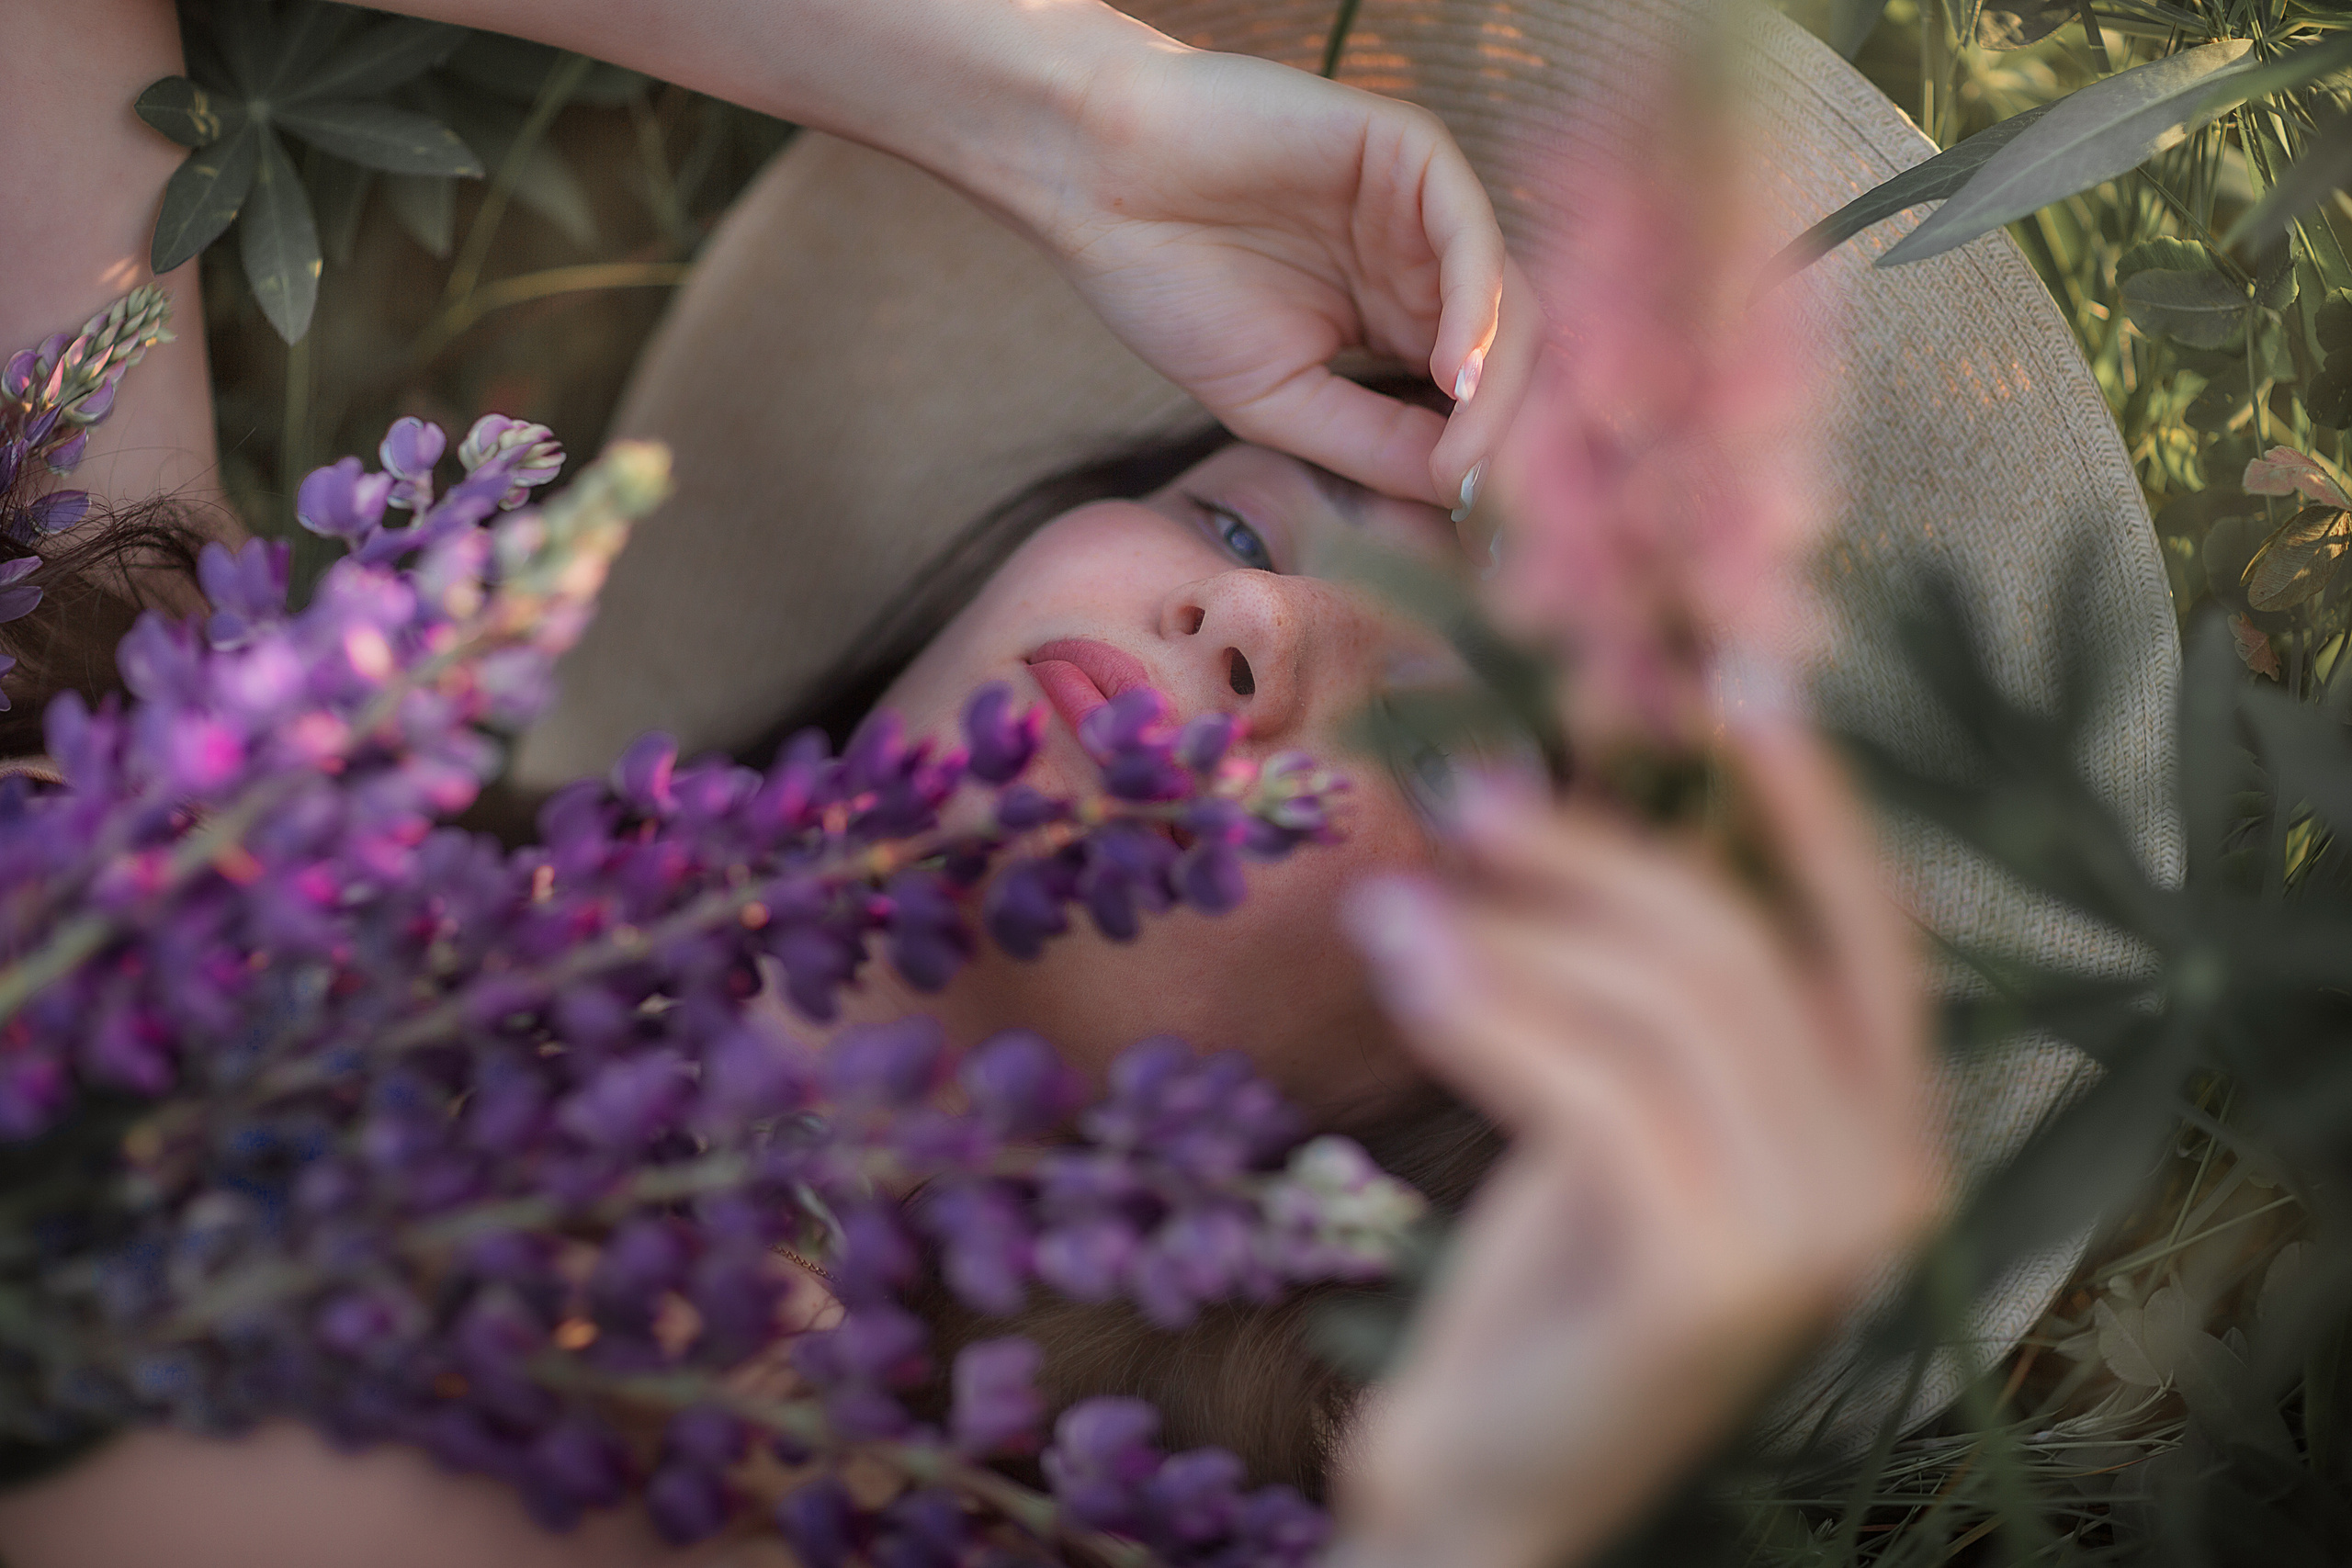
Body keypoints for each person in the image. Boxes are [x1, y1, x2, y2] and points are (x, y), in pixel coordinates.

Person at [0, 0, 2182, 1564]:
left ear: (1464, 1113)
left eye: (1443, 727)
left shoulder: (828, 1469)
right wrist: (1063, 114)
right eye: (1236, 522)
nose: (1245, 620)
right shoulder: (203, 812)